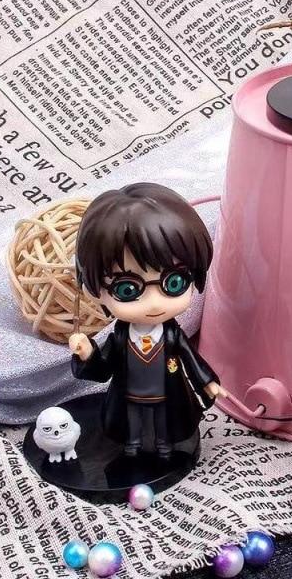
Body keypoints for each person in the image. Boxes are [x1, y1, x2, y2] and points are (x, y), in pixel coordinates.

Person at [69, 183, 224, 459]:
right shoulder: (120, 337)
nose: (154, 303)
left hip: (168, 393)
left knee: (165, 424)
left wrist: (208, 382)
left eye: (174, 283)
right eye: (127, 289)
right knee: (132, 425)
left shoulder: (173, 336)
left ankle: (165, 447)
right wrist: (87, 353)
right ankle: (131, 447)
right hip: (129, 395)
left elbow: (192, 360)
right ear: (95, 290)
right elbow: (102, 370)